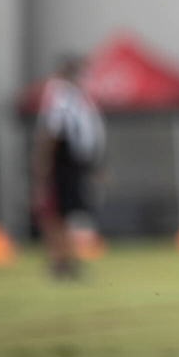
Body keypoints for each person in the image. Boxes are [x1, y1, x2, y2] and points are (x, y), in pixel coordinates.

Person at [31, 55, 105, 279]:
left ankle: (65, 259)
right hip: (61, 160)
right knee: (55, 212)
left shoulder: (72, 96)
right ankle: (60, 260)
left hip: (70, 161)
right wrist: (44, 163)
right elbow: (53, 130)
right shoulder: (60, 94)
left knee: (64, 212)